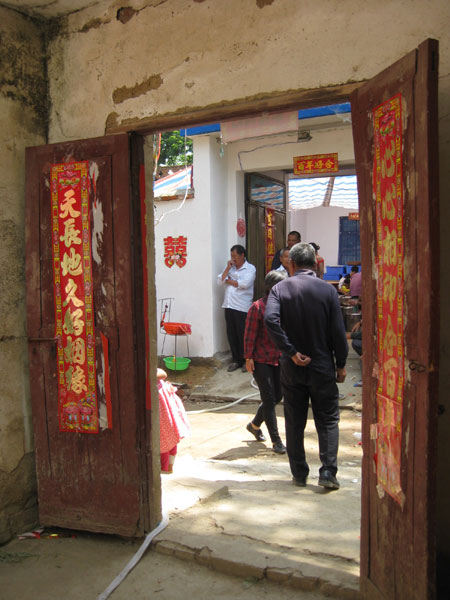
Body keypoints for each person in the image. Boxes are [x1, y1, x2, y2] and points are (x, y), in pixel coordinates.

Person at [264, 242, 348, 490]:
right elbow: (337, 332)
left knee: (294, 419)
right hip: (322, 365)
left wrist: (290, 351)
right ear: (315, 264)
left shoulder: (279, 289)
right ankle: (328, 473)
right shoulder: (328, 291)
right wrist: (341, 364)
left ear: (291, 263)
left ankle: (299, 473)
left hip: (292, 367)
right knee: (328, 419)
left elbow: (270, 319)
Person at [244, 270, 288, 454]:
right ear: (272, 288)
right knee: (269, 399)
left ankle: (254, 425)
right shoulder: (258, 307)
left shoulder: (285, 306)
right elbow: (249, 335)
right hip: (261, 359)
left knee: (278, 396)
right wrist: (248, 357)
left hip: (279, 358)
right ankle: (276, 440)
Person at [218, 245, 256, 372]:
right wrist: (228, 268)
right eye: (231, 256)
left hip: (241, 306)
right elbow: (219, 280)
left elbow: (244, 284)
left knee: (242, 334)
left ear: (242, 255)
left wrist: (229, 281)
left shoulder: (250, 268)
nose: (233, 259)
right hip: (229, 305)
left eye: (235, 256)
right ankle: (236, 360)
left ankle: (246, 360)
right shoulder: (230, 268)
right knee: (232, 334)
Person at [157, 368, 191, 473]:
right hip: (162, 405)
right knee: (166, 438)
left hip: (163, 406)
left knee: (165, 438)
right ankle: (167, 468)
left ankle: (166, 468)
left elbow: (162, 374)